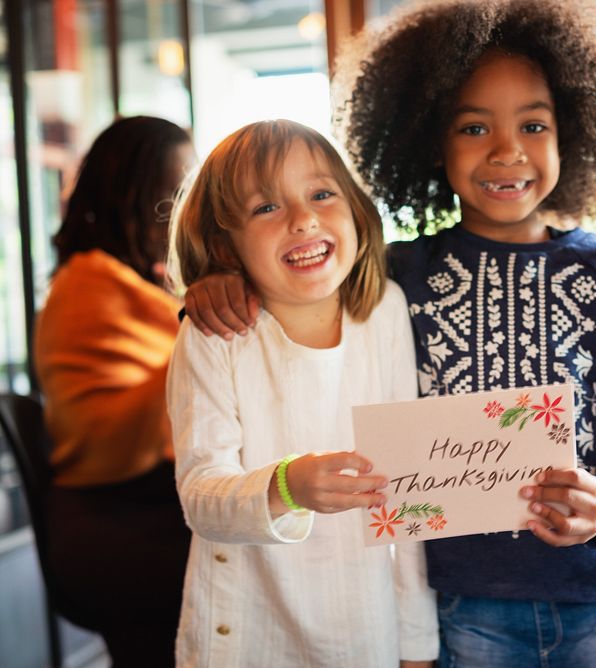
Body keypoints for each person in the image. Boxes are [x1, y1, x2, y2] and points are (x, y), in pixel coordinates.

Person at [182, 2, 596, 666]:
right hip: (461, 601)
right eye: (474, 127)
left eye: (534, 124)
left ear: (573, 132)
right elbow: (299, 284)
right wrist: (218, 282)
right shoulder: (395, 279)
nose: (507, 150)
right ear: (429, 140)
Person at [166, 119, 437, 668]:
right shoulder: (212, 336)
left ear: (357, 210)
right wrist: (286, 486)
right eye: (266, 208)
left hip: (364, 628)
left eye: (320, 194)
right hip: (245, 632)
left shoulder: (384, 310)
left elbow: (410, 494)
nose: (303, 218)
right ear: (225, 242)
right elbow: (200, 497)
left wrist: (417, 645)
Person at [32, 115, 194, 667]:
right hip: (119, 524)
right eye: (174, 190)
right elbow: (150, 405)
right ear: (134, 193)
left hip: (138, 510)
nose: (184, 208)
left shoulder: (128, 282)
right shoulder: (92, 285)